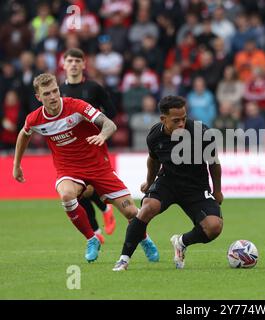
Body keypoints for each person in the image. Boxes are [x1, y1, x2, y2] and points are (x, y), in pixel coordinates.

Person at [12, 73, 159, 264]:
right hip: (69, 170)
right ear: (38, 97)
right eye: (47, 94)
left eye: (55, 91)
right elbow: (24, 135)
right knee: (66, 195)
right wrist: (17, 165)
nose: (53, 96)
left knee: (131, 212)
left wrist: (103, 136)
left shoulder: (77, 106)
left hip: (98, 167)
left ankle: (144, 239)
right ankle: (92, 239)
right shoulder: (35, 119)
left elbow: (109, 124)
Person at [112, 95, 223, 271]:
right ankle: (123, 259)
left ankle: (181, 242)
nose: (181, 124)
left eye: (184, 119)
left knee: (214, 227)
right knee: (148, 207)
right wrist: (149, 182)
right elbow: (153, 160)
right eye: (176, 120)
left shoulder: (202, 133)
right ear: (163, 119)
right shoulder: (155, 136)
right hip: (168, 182)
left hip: (196, 187)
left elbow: (214, 163)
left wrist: (218, 190)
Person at [60, 48, 117, 243]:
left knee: (90, 188)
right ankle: (96, 230)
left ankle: (106, 209)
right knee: (78, 192)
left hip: (93, 144)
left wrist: (99, 129)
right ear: (64, 64)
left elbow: (111, 112)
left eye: (78, 61)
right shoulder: (58, 91)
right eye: (70, 61)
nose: (74, 64)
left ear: (84, 64)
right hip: (70, 148)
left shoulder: (94, 88)